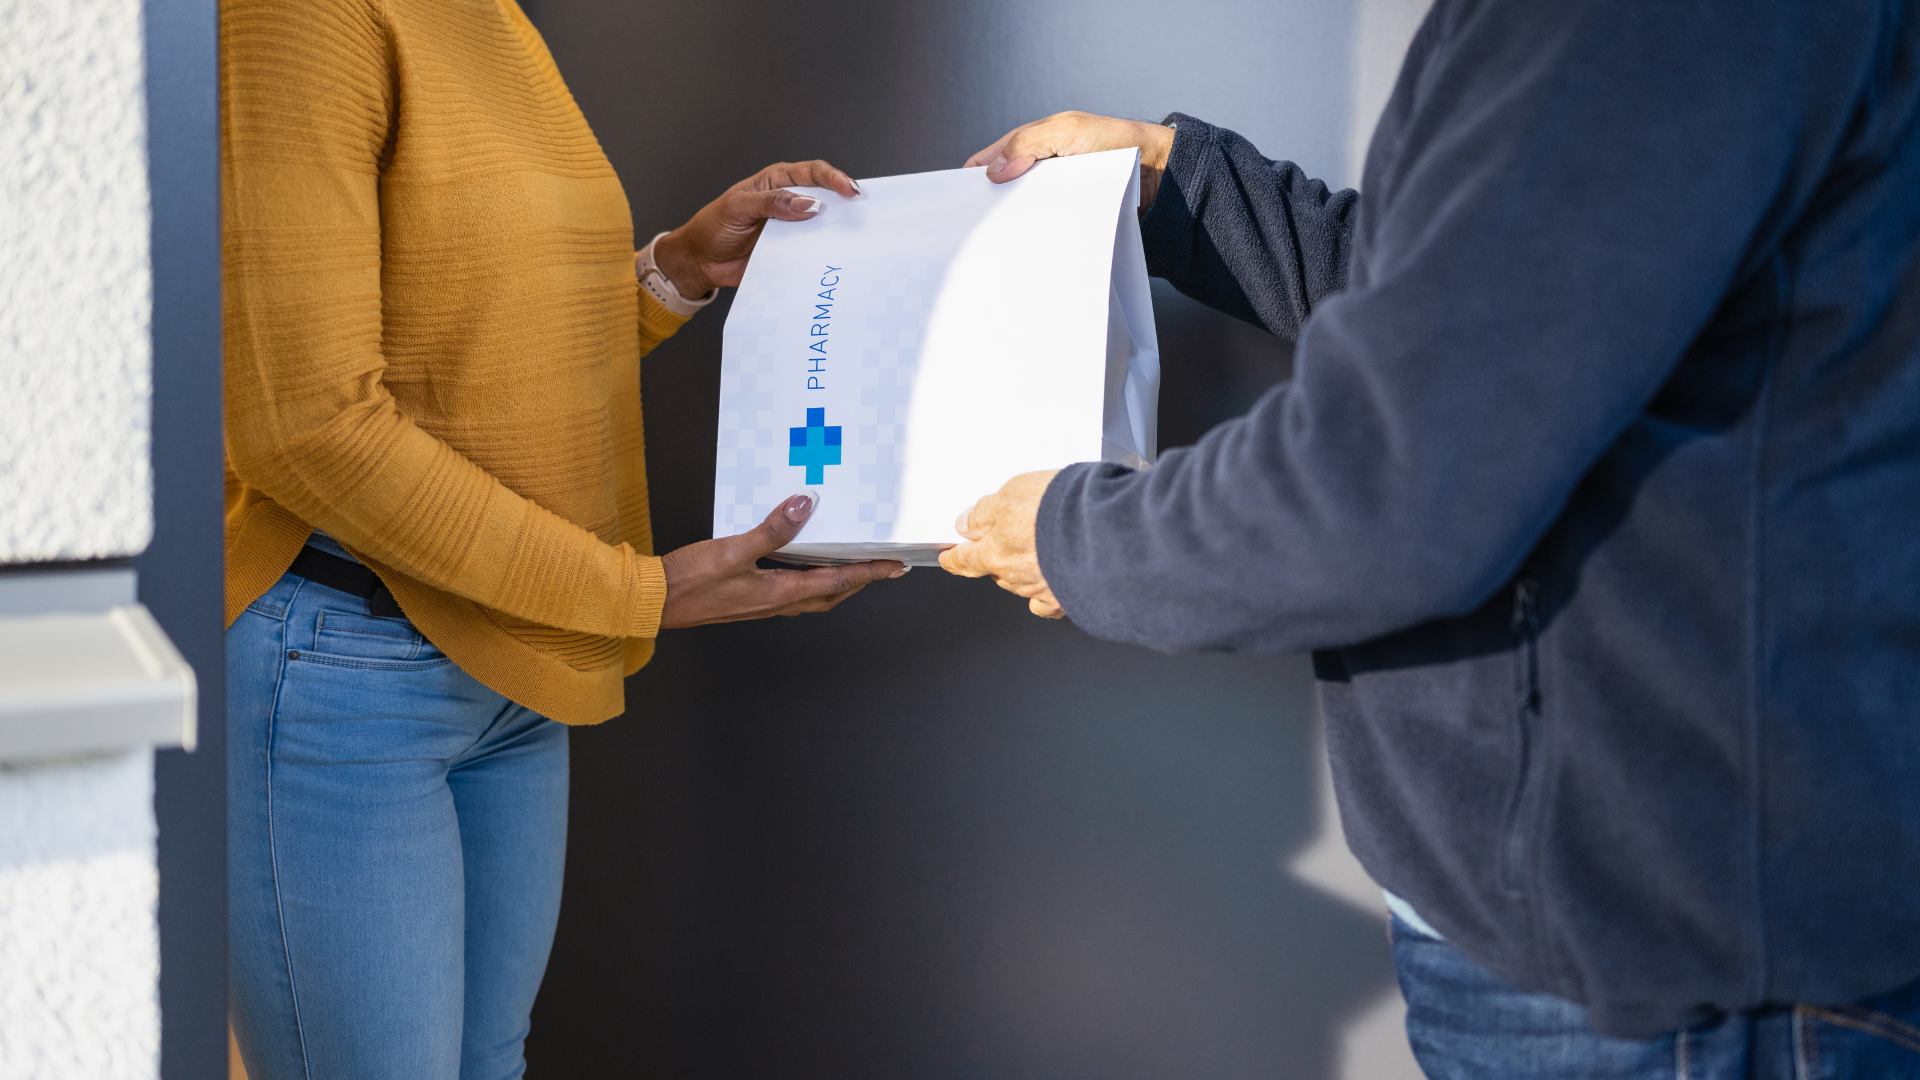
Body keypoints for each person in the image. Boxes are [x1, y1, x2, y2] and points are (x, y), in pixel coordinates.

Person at [942, 1, 1920, 1076]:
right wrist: (1184, 191)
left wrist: (1081, 535)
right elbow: (1490, 303)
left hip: (1672, 989)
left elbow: (1393, 477)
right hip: (1619, 946)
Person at [220, 0, 903, 1076]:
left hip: (514, 661)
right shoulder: (296, 17)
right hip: (345, 675)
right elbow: (306, 429)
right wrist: (637, 595)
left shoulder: (487, 16)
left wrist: (675, 267)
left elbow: (478, 352)